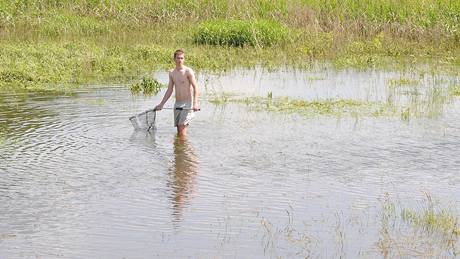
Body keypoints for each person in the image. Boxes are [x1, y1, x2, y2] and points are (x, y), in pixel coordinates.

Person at [154, 49, 200, 137]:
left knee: (182, 130)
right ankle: (182, 150)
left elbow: (195, 87)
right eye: (178, 58)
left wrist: (195, 103)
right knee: (179, 131)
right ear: (174, 59)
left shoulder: (188, 71)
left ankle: (183, 149)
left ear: (184, 59)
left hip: (188, 103)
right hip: (177, 104)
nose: (180, 60)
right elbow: (169, 90)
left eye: (182, 58)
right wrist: (161, 104)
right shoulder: (172, 73)